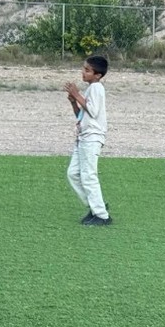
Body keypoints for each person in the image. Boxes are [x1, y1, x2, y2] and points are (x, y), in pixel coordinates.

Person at [65, 55, 112, 226]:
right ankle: (96, 206)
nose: (83, 72)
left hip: (92, 137)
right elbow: (82, 115)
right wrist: (74, 102)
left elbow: (93, 110)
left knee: (88, 175)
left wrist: (76, 94)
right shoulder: (91, 89)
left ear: (97, 75)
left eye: (87, 70)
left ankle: (101, 215)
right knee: (73, 173)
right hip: (83, 137)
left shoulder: (97, 88)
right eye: (83, 69)